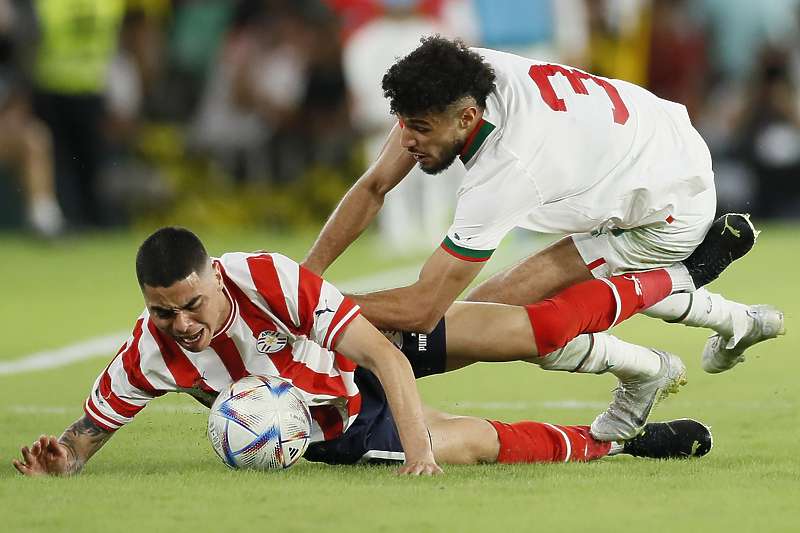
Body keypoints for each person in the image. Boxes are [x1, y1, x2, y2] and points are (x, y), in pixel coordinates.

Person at [13, 226, 714, 477]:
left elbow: (384, 354)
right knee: (481, 444)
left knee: (528, 327)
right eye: (163, 310)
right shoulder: (151, 350)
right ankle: (618, 447)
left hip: (360, 352)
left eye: (191, 305)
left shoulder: (268, 277)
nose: (182, 323)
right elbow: (92, 426)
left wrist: (418, 452)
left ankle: (677, 277)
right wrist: (65, 457)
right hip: (335, 426)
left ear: (214, 278)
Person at [301, 35, 784, 378]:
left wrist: (309, 310)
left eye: (420, 129)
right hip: (643, 140)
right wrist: (305, 278)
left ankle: (657, 350)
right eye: (402, 123)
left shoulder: (507, 168)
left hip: (668, 206)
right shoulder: (458, 77)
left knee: (493, 313)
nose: (406, 140)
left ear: (467, 117)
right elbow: (373, 187)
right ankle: (739, 321)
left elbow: (425, 309)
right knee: (494, 313)